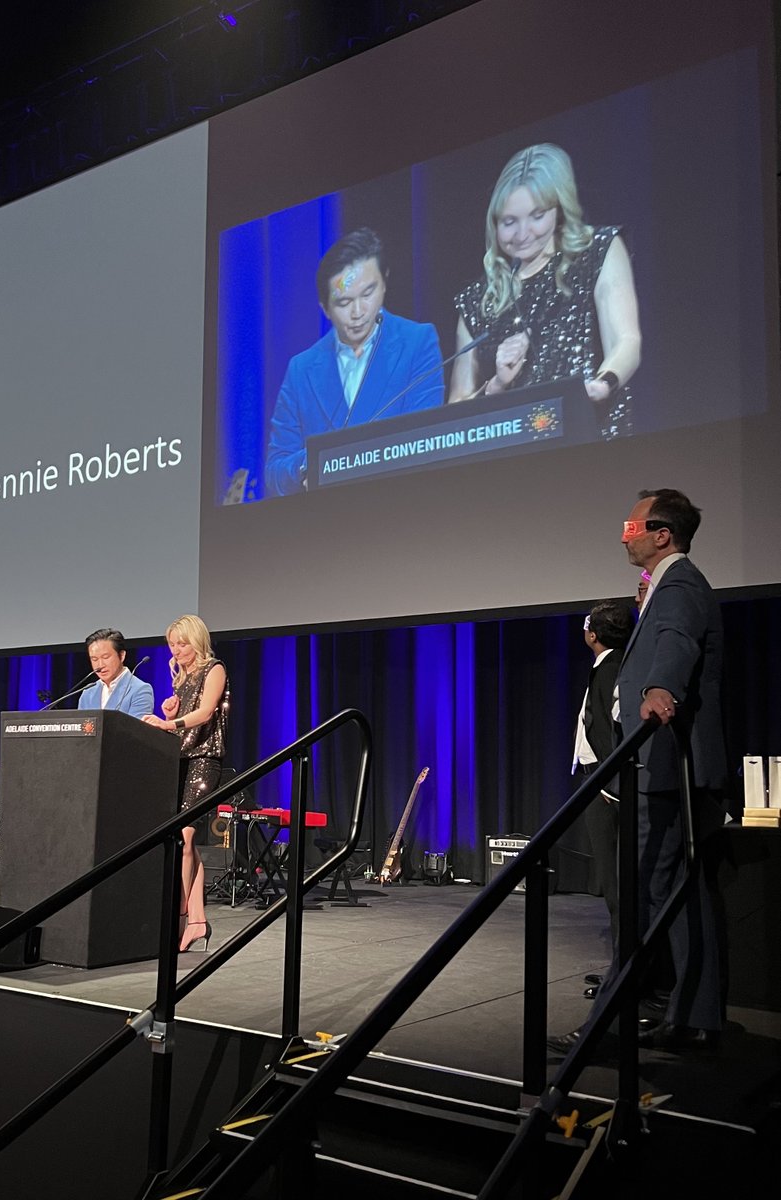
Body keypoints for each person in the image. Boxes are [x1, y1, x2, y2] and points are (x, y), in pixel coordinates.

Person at [550, 489, 728, 1055]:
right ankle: (693, 1016)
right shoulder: (663, 587)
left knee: (645, 889)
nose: (624, 533)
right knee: (673, 889)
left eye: (633, 524)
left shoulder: (678, 584)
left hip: (665, 764)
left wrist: (658, 689)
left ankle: (611, 1023)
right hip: (665, 766)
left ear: (662, 534)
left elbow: (676, 643)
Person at [449, 144, 641, 440]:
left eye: (536, 216)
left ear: (558, 210)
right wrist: (497, 385)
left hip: (592, 443)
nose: (523, 234)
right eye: (509, 222)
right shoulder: (478, 299)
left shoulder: (596, 251)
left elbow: (626, 341)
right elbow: (456, 411)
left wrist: (602, 385)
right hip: (510, 463)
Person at [264, 227, 444, 496]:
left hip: (400, 509)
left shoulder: (418, 342)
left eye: (368, 293)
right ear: (325, 308)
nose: (358, 312)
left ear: (384, 282)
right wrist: (310, 465)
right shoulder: (301, 369)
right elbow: (274, 472)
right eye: (344, 302)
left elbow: (426, 441)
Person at [143, 615, 228, 952]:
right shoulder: (181, 678)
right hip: (179, 759)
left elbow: (206, 713)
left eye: (182, 643)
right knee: (183, 841)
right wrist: (170, 712)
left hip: (204, 761)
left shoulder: (214, 669)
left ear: (197, 640)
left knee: (186, 837)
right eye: (172, 644)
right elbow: (180, 723)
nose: (176, 650)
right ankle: (196, 921)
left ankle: (176, 918)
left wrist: (169, 724)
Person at [571, 600, 634, 992]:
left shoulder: (612, 670)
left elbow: (613, 731)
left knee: (617, 885)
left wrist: (608, 788)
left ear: (592, 634)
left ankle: (625, 974)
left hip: (607, 788)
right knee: (616, 884)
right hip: (601, 783)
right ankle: (622, 966)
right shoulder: (609, 668)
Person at [77, 628, 154, 716]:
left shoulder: (140, 690)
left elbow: (136, 729)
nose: (100, 665)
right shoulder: (88, 693)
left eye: (105, 657)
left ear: (121, 656)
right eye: (94, 659)